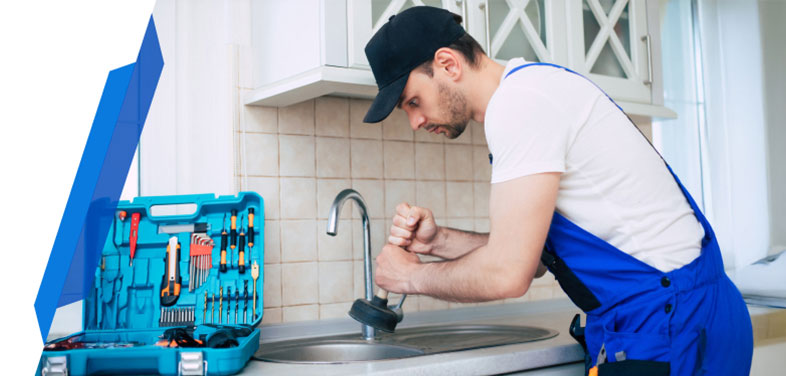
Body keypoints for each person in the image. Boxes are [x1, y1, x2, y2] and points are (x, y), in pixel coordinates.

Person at [361, 6, 753, 376]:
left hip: (670, 322)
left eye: (413, 101)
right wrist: (438, 241)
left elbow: (507, 274)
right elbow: (534, 260)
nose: (414, 121)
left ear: (448, 63)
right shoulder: (530, 90)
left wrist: (410, 278)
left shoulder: (519, 105)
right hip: (684, 314)